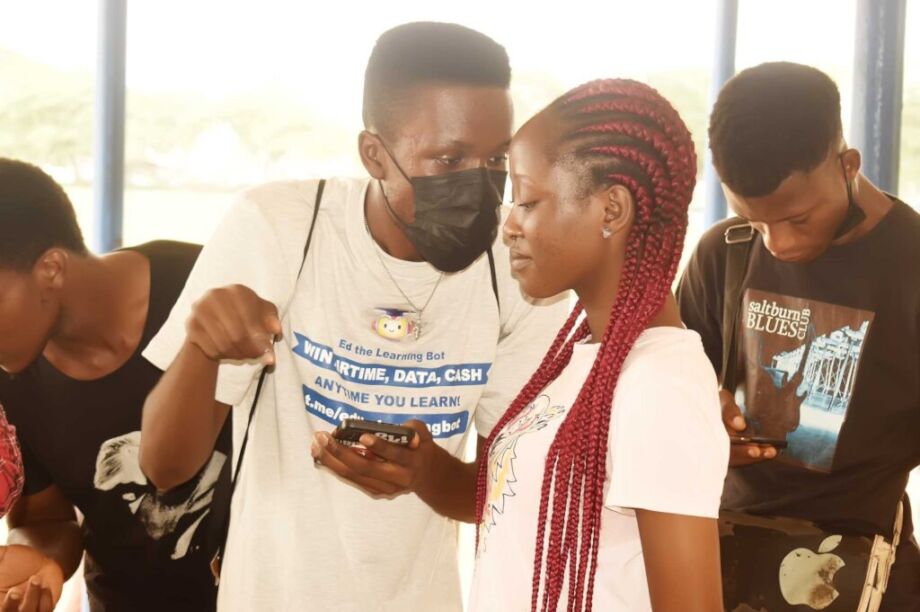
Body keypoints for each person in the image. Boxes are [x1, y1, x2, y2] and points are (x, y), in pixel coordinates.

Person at [140, 22, 569, 611]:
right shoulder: (281, 227)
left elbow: (512, 491)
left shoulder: (516, 268)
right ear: (374, 155)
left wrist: (427, 474)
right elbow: (165, 466)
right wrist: (201, 350)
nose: (479, 183)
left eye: (496, 158)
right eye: (448, 159)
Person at [469, 79, 728, 611]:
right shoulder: (587, 355)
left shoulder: (660, 383)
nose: (509, 226)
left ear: (611, 210)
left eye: (528, 201)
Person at [678, 61, 920, 609]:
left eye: (798, 219)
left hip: (861, 571)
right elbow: (671, 391)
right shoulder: (724, 252)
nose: (778, 244)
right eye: (755, 220)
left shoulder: (911, 264)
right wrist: (704, 419)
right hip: (723, 557)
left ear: (847, 165)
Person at [0, 158, 222, 611]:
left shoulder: (208, 286)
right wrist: (39, 568)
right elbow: (45, 519)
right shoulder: (12, 379)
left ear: (51, 269)